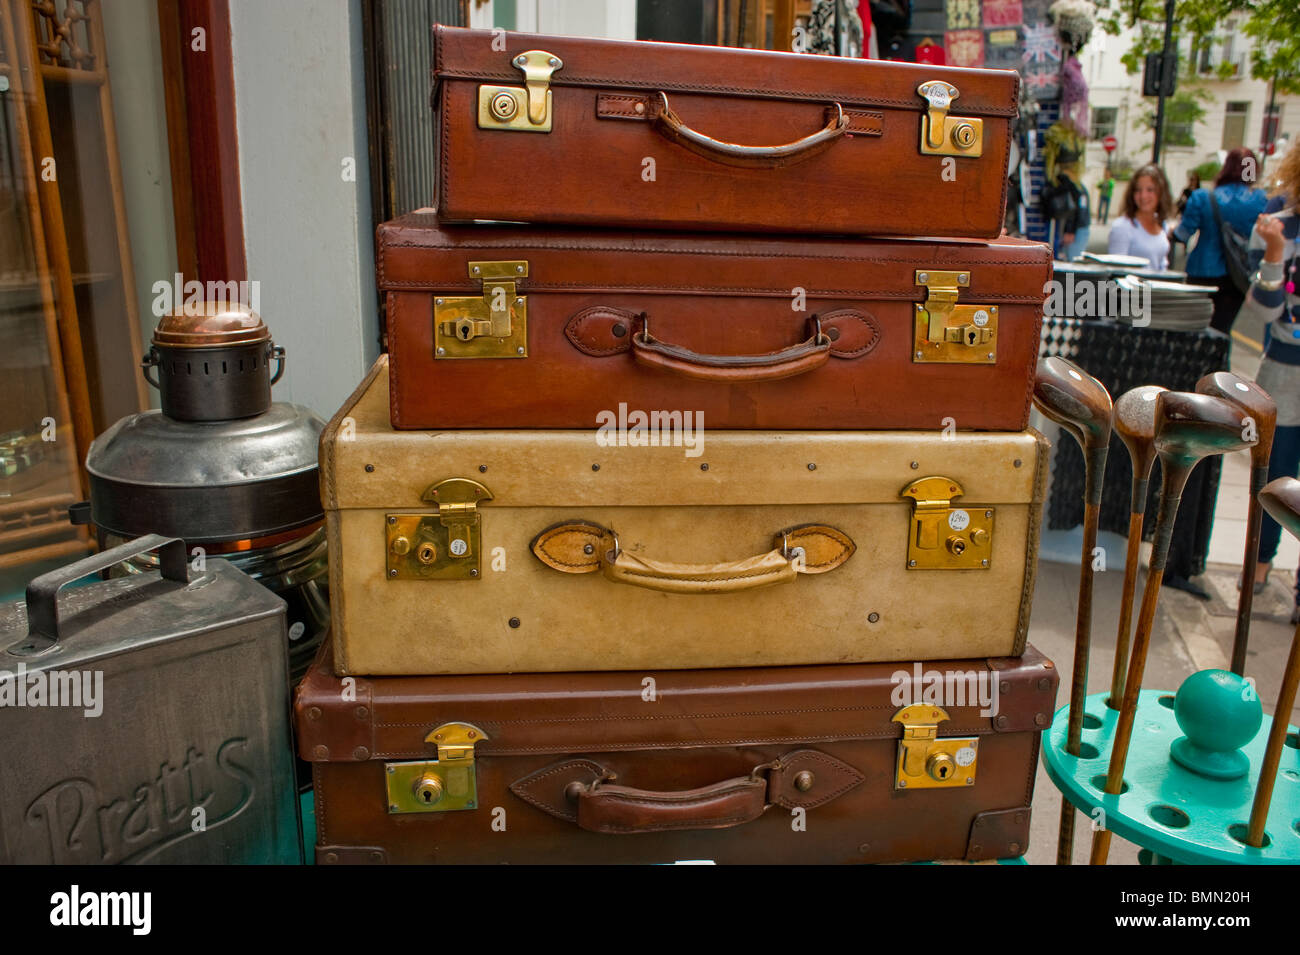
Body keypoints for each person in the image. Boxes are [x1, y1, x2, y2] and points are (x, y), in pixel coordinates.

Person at [1241, 143, 1300, 618]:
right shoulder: (1281, 222)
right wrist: (1276, 253)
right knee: (1275, 476)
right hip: (1285, 371)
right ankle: (1260, 564)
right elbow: (1262, 310)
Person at [1172, 148, 1268, 333]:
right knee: (1222, 332)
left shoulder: (1202, 197)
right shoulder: (1261, 200)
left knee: (1194, 331)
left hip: (1201, 273)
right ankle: (1220, 361)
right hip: (1236, 278)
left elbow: (1183, 234)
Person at [1107, 164, 1173, 270]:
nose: (1143, 196)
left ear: (1161, 193)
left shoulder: (1163, 225)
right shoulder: (1122, 227)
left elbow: (1162, 265)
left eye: (1150, 190)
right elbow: (1115, 272)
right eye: (1138, 190)